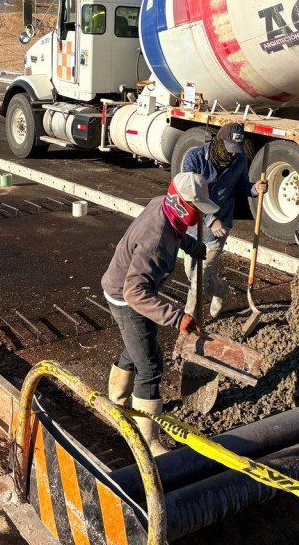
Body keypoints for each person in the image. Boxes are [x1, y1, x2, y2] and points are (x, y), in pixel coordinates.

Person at [102, 172, 212, 454]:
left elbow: (176, 234)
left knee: (139, 346)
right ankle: (147, 441)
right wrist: (177, 317)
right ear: (182, 205)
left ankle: (117, 401)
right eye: (197, 210)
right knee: (150, 365)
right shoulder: (154, 242)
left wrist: (192, 246)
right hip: (127, 298)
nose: (200, 217)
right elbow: (134, 293)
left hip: (125, 287)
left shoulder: (162, 205)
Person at [181, 124, 268, 318]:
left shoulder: (239, 161)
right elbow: (188, 194)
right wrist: (211, 219)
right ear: (218, 143)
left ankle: (189, 323)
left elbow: (242, 186)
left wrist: (255, 189)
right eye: (229, 150)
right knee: (190, 273)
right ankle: (221, 290)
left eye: (236, 151)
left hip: (218, 231)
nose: (232, 156)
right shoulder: (194, 158)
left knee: (198, 279)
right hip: (192, 229)